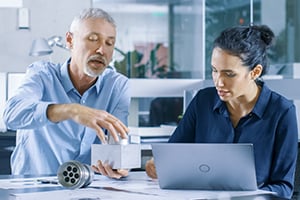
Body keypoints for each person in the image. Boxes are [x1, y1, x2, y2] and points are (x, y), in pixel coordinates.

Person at [145, 24, 298, 199]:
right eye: (215, 71)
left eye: (229, 74)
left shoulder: (282, 112)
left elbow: (283, 187)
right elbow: (172, 156)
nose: (219, 82)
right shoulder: (203, 101)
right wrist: (157, 166)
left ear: (255, 72)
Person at [3, 8, 130, 179]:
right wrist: (72, 111)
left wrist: (120, 164)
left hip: (90, 189)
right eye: (93, 39)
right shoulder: (42, 74)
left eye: (109, 43)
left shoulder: (117, 85)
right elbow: (11, 115)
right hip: (34, 188)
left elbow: (118, 142)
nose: (101, 50)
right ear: (70, 40)